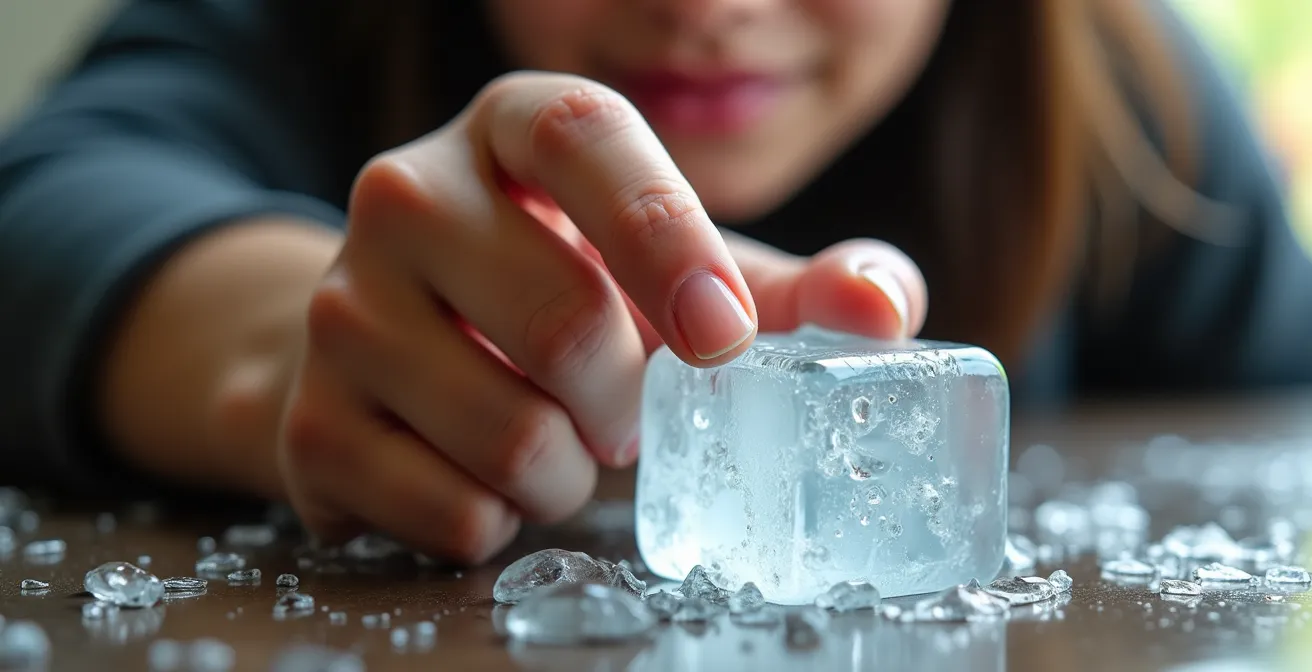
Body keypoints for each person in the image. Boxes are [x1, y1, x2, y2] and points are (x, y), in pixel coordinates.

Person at [1, 0, 1309, 563]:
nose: (705, 5)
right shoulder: (300, 27)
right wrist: (289, 344)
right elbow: (46, 205)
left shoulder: (1132, 113)